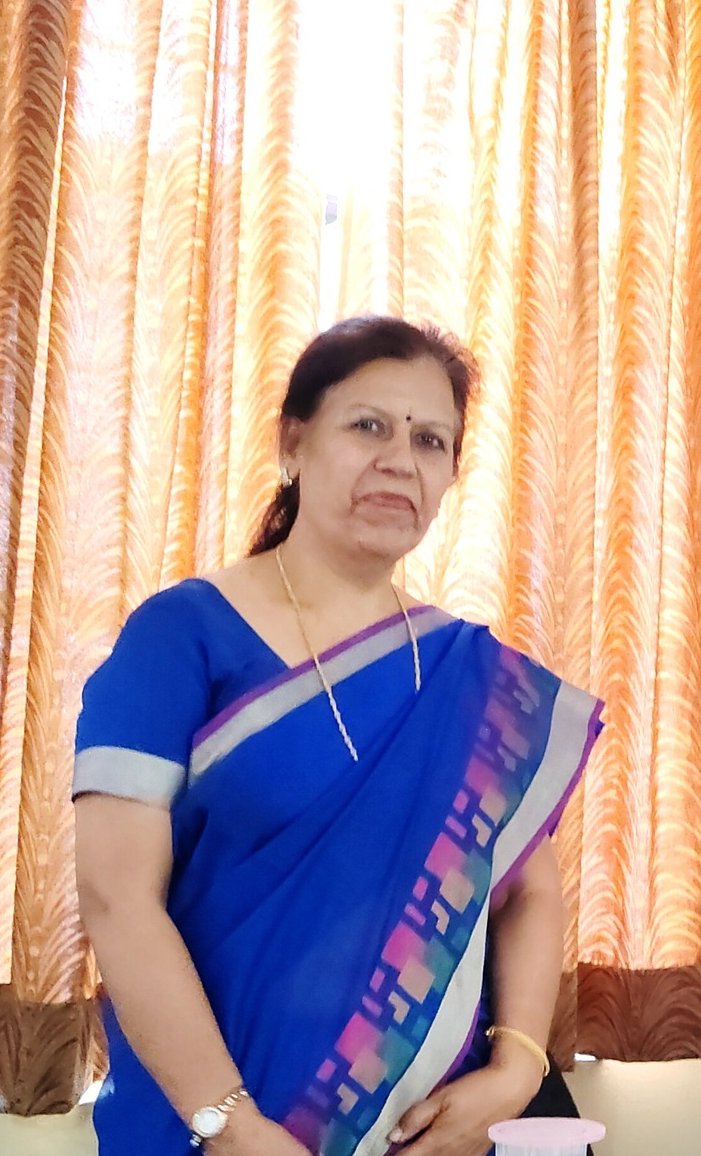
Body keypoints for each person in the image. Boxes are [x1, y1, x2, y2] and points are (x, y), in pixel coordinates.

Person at [73, 317, 604, 1156]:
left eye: (430, 441)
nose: (400, 460)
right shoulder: (177, 640)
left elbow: (530, 891)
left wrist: (515, 1069)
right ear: (293, 442)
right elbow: (117, 900)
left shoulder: (470, 676)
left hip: (430, 1133)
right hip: (212, 1131)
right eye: (368, 426)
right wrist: (231, 1126)